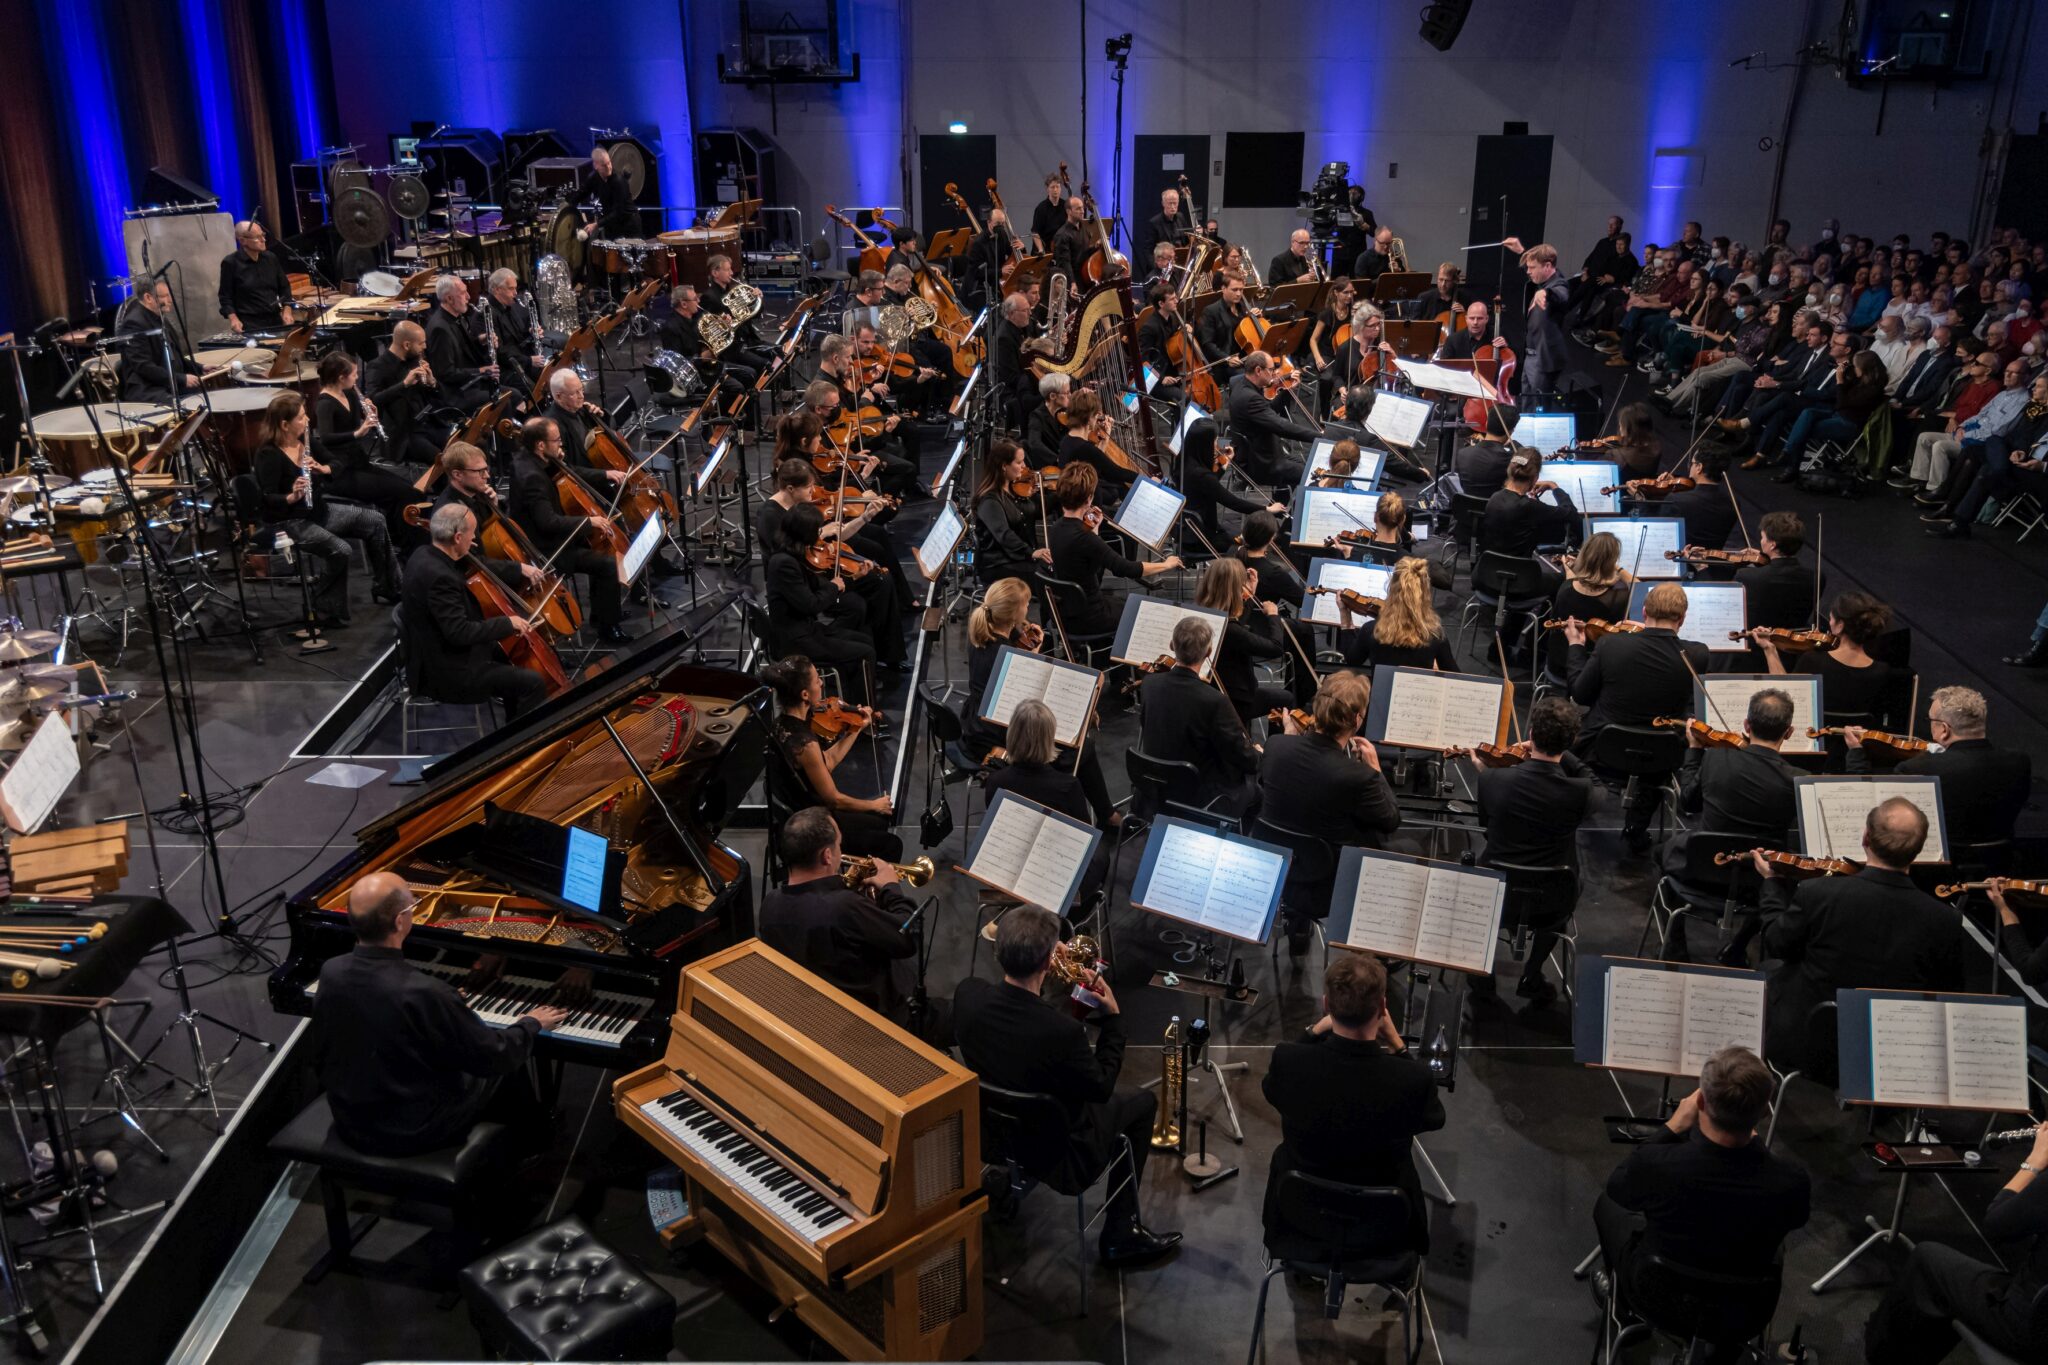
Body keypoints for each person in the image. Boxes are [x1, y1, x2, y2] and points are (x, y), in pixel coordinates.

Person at [952, 906, 1182, 1267]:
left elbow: (1018, 1032)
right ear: (1046, 962)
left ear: (998, 952)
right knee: (1141, 1102)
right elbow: (1102, 1086)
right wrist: (1114, 1020)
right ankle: (1121, 1232)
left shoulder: (968, 995)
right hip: (1059, 1153)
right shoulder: (1063, 1034)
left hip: (992, 1135)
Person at [313, 871, 566, 1156]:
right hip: (414, 1130)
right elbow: (495, 1055)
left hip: (352, 1118)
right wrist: (531, 1023)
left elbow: (333, 1044)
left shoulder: (331, 971)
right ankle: (527, 1148)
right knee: (510, 1062)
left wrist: (442, 1010)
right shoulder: (427, 993)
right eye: (413, 906)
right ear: (400, 922)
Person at [1594, 1047, 1810, 1362]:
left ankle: (1624, 1310)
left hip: (1654, 1297)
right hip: (1744, 1311)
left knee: (1607, 1207)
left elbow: (1619, 1188)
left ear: (1701, 1102)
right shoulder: (1791, 1180)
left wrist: (1670, 1129)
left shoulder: (1659, 1165)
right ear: (1765, 1111)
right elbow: (1796, 1219)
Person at [1753, 798, 1964, 1080]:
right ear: (1919, 850)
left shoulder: (1817, 893)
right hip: (1891, 1049)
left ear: (1865, 838)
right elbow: (1948, 991)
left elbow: (1776, 944)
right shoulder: (1944, 919)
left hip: (1808, 1042)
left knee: (1769, 971)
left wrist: (1772, 884)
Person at [1262, 953, 1446, 1249]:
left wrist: (1311, 1032)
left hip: (1300, 1214)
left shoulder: (1289, 1061)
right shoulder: (1412, 1079)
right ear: (1383, 1008)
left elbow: (1272, 1089)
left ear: (1326, 1005)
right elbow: (1433, 1118)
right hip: (1383, 1224)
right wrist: (1398, 1046)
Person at [1865, 1123, 2048, 1362]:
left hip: (2032, 1326)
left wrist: (2034, 1161)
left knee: (1927, 1260)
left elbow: (1996, 1223)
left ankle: (1881, 1353)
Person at [1257, 672, 1402, 947]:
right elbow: (1390, 819)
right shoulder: (1358, 776)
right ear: (1357, 718)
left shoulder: (1276, 746)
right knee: (1400, 847)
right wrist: (1376, 769)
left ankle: (1297, 925)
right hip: (1327, 879)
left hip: (1277, 864)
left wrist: (1289, 739)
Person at [1566, 583, 1710, 849]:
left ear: (1644, 612)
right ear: (1682, 618)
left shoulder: (1611, 644)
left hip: (1601, 748)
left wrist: (1576, 645)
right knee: (1658, 754)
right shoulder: (1698, 654)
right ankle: (1636, 827)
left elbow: (1580, 694)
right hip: (1660, 758)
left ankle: (1569, 817)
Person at [1473, 697, 1595, 1002]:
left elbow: (1488, 827)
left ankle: (1482, 974)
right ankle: (1532, 971)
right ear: (1571, 741)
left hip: (1496, 891)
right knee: (1566, 884)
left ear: (1530, 732)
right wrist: (1566, 756)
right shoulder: (1580, 793)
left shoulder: (1492, 779)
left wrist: (1487, 774)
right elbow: (1593, 781)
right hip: (1553, 899)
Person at [251, 392, 399, 623]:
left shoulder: (305, 440)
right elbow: (266, 499)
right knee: (341, 549)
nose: (308, 420)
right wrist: (291, 496)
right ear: (284, 424)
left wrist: (323, 469)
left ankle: (388, 586)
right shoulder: (268, 455)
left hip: (319, 511)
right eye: (301, 417)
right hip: (290, 522)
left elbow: (337, 462)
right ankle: (325, 605)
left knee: (374, 520)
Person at [758, 807, 917, 1019]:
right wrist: (891, 887)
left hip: (815, 1009)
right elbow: (907, 936)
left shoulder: (770, 904)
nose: (841, 853)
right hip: (870, 1015)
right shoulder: (845, 907)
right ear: (826, 855)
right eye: (839, 846)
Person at [400, 502, 549, 719]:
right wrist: (509, 623)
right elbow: (459, 633)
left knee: (511, 653)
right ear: (458, 538)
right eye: (472, 534)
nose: (474, 540)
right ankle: (520, 746)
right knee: (533, 683)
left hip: (437, 651)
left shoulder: (424, 553)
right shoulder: (440, 577)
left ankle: (512, 725)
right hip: (447, 672)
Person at [506, 417, 628, 643]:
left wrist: (556, 461)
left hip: (552, 537)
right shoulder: (531, 477)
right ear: (541, 445)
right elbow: (548, 522)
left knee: (599, 548)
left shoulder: (526, 459)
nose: (560, 444)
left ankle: (602, 612)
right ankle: (608, 627)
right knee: (608, 564)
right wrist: (588, 522)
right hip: (549, 549)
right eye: (557, 441)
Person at [982, 700, 1111, 904]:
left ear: (1012, 735)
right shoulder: (1067, 786)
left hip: (1011, 869)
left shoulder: (995, 781)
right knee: (1100, 850)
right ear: (1049, 739)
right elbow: (1083, 839)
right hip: (1052, 875)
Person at [1884, 686, 2032, 856]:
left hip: (1937, 867)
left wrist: (1857, 755)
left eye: (1930, 720)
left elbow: (1890, 821)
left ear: (1944, 730)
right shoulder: (2019, 761)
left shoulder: (1916, 769)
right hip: (1998, 859)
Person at [1137, 617, 1262, 818]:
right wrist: (1258, 755)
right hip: (1198, 794)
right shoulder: (1214, 700)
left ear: (1171, 646)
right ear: (1209, 653)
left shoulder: (1149, 684)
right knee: (1256, 791)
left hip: (1155, 784)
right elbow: (1242, 757)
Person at [1043, 464, 1180, 639]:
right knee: (1143, 611)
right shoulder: (1085, 538)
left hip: (1066, 611)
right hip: (1090, 617)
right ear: (1089, 499)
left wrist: (1094, 529)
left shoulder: (1056, 528)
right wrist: (1166, 564)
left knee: (1124, 603)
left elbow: (1086, 556)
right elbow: (1126, 569)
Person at [765, 505, 878, 707]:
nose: (820, 536)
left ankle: (855, 699)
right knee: (864, 652)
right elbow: (811, 604)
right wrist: (834, 587)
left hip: (807, 629)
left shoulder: (796, 555)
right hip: (796, 640)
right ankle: (862, 717)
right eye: (817, 531)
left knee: (865, 640)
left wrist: (853, 577)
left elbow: (823, 587)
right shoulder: (783, 563)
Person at [310, 351, 425, 538]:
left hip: (358, 463)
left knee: (409, 488)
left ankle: (397, 536)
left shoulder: (349, 393)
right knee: (404, 493)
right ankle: (405, 542)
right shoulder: (325, 403)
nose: (357, 377)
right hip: (340, 472)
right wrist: (358, 433)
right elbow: (326, 438)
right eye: (354, 374)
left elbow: (357, 423)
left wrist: (370, 415)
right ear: (341, 377)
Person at [1756, 590, 1893, 736]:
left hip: (1811, 745)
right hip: (1854, 751)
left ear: (1840, 625)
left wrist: (1769, 649)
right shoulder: (1882, 672)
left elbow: (1781, 698)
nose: (1829, 623)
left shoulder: (1814, 661)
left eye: (1831, 619)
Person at [1194, 557, 1298, 720]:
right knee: (1286, 698)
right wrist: (1273, 616)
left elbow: (1237, 618)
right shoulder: (1231, 630)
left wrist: (1250, 593)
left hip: (1205, 689)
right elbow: (1275, 648)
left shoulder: (1203, 614)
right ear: (1236, 591)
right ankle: (1276, 744)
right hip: (1233, 699)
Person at [1341, 556, 1457, 671]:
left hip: (1379, 689)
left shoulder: (1372, 630)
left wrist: (1346, 619)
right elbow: (1455, 675)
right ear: (1425, 593)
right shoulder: (1434, 635)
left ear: (1392, 587)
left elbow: (1352, 660)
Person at [1178, 420, 1282, 548]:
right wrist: (1268, 509)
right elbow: (1233, 502)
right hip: (1202, 536)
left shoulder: (1183, 459)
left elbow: (1209, 485)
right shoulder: (1202, 475)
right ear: (1205, 444)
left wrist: (1226, 462)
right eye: (1215, 440)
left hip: (1187, 528)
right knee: (1252, 540)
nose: (1218, 444)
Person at [363, 320, 453, 468]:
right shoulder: (378, 366)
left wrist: (432, 383)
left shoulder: (415, 360)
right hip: (404, 435)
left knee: (466, 447)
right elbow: (372, 401)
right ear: (406, 345)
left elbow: (442, 398)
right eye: (421, 343)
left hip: (429, 425)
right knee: (442, 460)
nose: (425, 347)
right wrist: (404, 384)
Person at [1228, 350, 1319, 486]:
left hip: (1258, 452)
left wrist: (1288, 391)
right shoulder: (1250, 397)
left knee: (1307, 463)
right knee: (1312, 475)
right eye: (1271, 369)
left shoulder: (1238, 382)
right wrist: (1318, 436)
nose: (1275, 373)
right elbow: (1281, 426)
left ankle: (1278, 506)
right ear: (1258, 370)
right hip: (1261, 463)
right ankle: (1292, 505)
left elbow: (1266, 411)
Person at [1481, 447, 1579, 571]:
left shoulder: (1495, 497)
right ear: (1535, 478)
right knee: (1564, 582)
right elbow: (1570, 513)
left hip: (1488, 571)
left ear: (1510, 471)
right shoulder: (1530, 506)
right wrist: (1553, 486)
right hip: (1520, 578)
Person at [972, 438, 1052, 587]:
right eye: (1019, 462)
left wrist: (1033, 497)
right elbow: (1004, 535)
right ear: (1004, 466)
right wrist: (1031, 553)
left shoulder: (1014, 490)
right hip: (999, 564)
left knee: (1057, 569)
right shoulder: (989, 500)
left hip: (1017, 557)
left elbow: (1033, 514)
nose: (1024, 467)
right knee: (1049, 578)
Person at [422, 276, 500, 413]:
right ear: (449, 299)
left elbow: (464, 349)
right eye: (463, 293)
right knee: (509, 396)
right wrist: (480, 371)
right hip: (457, 393)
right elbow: (445, 373)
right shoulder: (439, 328)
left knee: (510, 390)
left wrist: (482, 340)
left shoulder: (457, 317)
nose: (469, 297)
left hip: (471, 383)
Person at [1733, 511, 1821, 632]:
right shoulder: (1818, 578)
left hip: (1756, 643)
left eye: (1763, 538)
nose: (1761, 541)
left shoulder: (1747, 576)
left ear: (1773, 545)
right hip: (1793, 644)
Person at [116, 280, 200, 403]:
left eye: (169, 295)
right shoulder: (133, 324)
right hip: (148, 388)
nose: (170, 300)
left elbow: (175, 358)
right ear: (148, 297)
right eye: (164, 296)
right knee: (188, 403)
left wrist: (201, 368)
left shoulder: (159, 317)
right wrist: (181, 379)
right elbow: (143, 366)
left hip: (167, 383)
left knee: (203, 392)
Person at [1510, 240, 1570, 396]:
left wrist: (1546, 293)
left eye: (1531, 268)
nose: (1528, 271)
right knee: (1526, 401)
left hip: (1542, 360)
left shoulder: (1558, 284)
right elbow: (1536, 265)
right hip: (1530, 356)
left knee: (1538, 404)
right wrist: (1522, 251)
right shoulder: (1543, 280)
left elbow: (1561, 295)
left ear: (1548, 266)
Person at [217, 220, 294, 333]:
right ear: (243, 241)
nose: (263, 240)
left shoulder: (271, 258)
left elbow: (285, 287)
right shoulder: (231, 263)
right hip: (250, 325)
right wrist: (234, 319)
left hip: (275, 320)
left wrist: (287, 311)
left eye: (263, 235)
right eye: (257, 237)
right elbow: (225, 297)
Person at [1656, 450, 1740, 551]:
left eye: (1692, 463)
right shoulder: (1734, 504)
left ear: (1699, 467)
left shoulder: (1676, 500)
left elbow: (1658, 533)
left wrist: (1641, 500)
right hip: (1712, 563)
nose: (1690, 467)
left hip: (1679, 561)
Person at [480, 267, 545, 397]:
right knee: (534, 391)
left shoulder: (512, 305)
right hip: (506, 369)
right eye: (511, 289)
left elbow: (522, 333)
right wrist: (528, 360)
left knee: (549, 377)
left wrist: (532, 332)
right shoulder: (486, 314)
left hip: (522, 361)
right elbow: (501, 352)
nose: (515, 293)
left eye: (515, 288)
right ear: (497, 289)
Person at [1057, 389, 1136, 495]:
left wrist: (1105, 439)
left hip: (1075, 494)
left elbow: (1095, 463)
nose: (1097, 418)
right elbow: (1117, 472)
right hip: (1087, 498)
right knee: (1117, 487)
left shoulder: (1066, 440)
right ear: (1089, 417)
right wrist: (1146, 479)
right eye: (1096, 415)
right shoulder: (1086, 448)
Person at [572, 145, 639, 244]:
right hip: (612, 226)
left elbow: (618, 212)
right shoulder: (593, 178)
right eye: (604, 165)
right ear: (596, 165)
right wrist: (567, 206)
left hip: (628, 225)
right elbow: (581, 194)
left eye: (609, 163)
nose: (609, 167)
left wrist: (596, 224)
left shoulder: (619, 181)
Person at [1028, 172, 1067, 254]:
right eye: (1052, 187)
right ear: (1047, 189)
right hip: (1044, 248)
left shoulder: (1065, 205)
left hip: (1060, 248)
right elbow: (1035, 232)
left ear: (1060, 189)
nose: (1055, 190)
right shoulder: (1041, 208)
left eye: (1057, 187)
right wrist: (1041, 250)